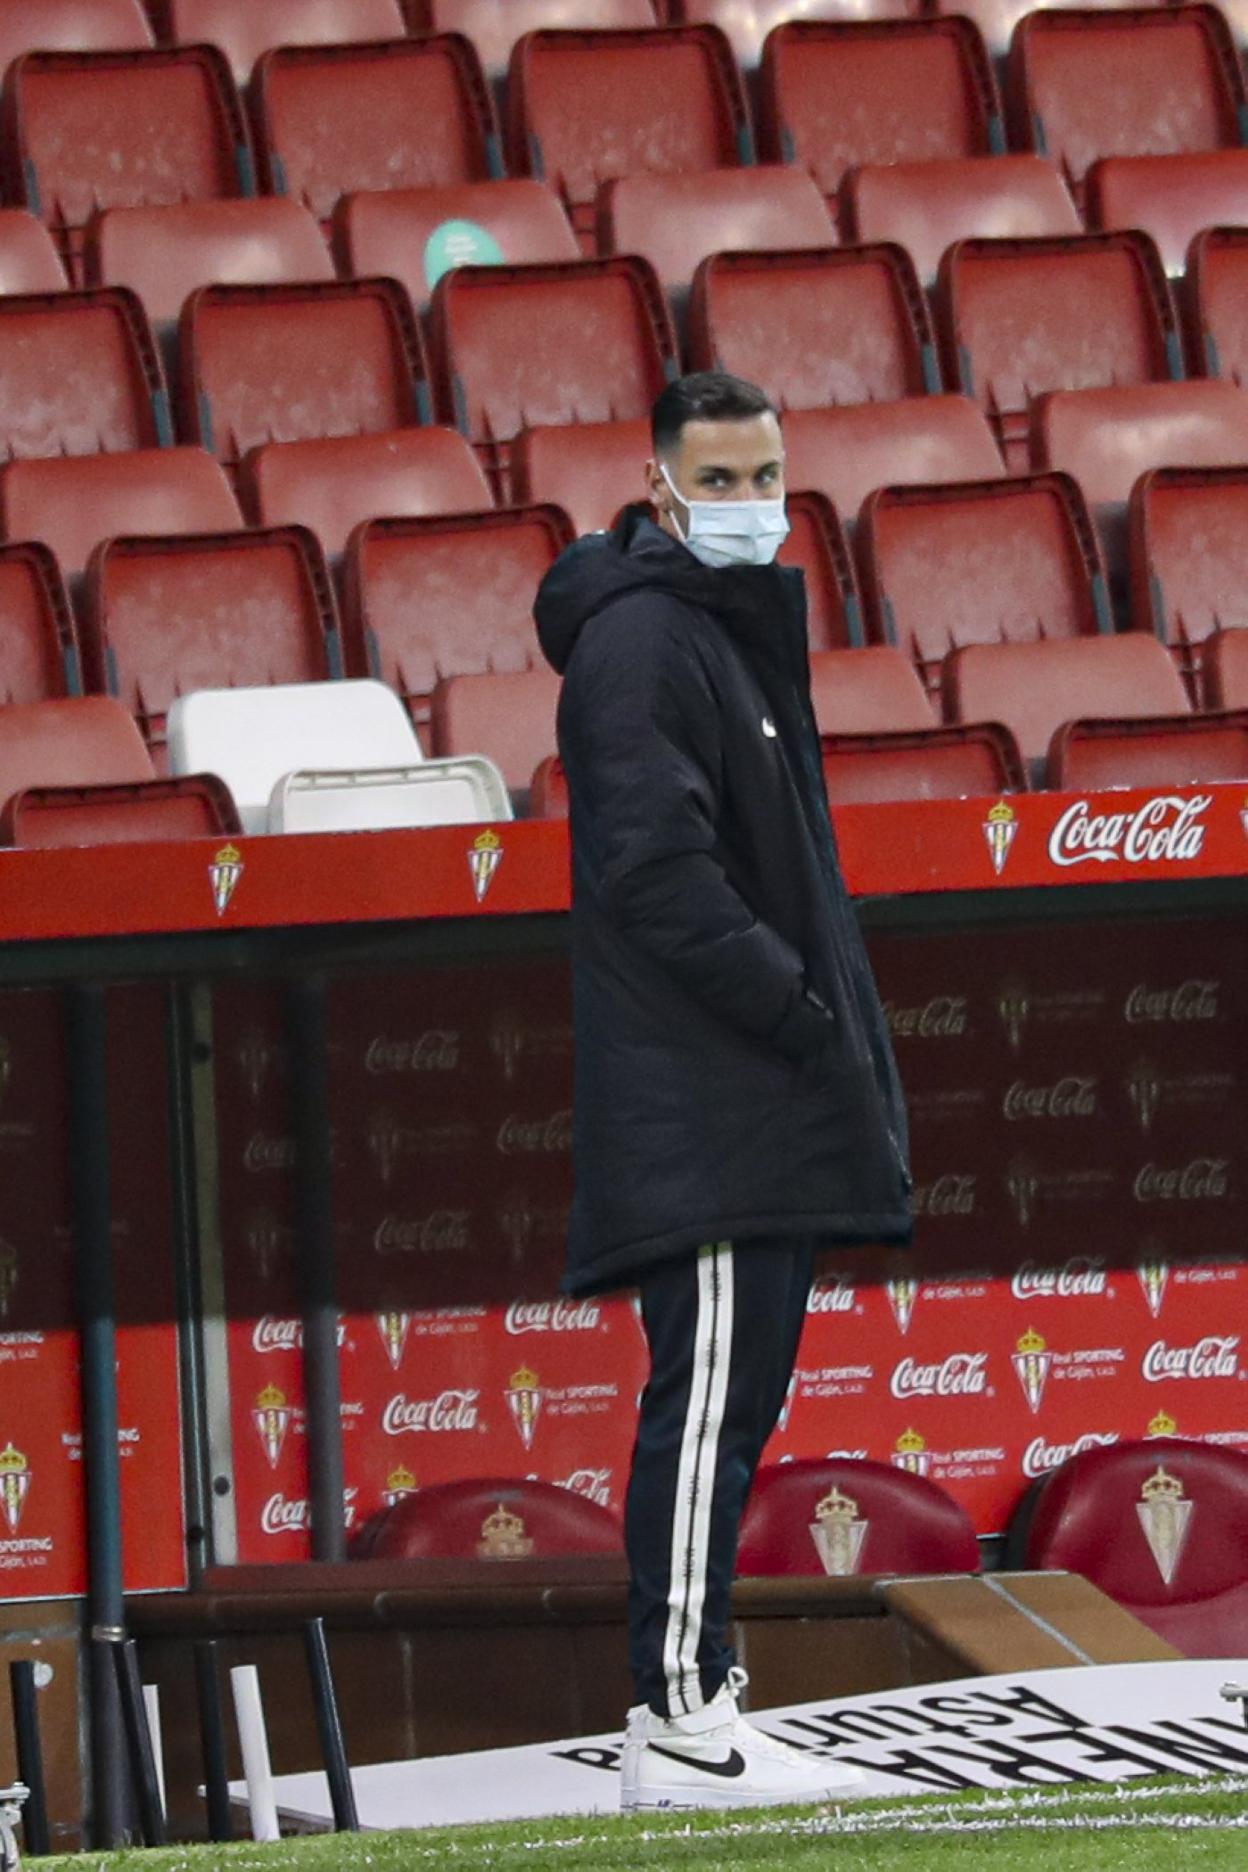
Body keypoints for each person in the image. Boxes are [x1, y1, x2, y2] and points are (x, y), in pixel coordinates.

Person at [535, 372, 913, 1813]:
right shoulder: (640, 644)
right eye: (725, 480)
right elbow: (653, 869)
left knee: (734, 1410)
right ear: (661, 484)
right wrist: (796, 1004)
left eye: (769, 476)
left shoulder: (732, 637)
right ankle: (676, 1710)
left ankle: (708, 1691)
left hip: (754, 1102)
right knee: (703, 1414)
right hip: (706, 1104)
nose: (753, 505)